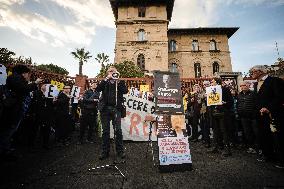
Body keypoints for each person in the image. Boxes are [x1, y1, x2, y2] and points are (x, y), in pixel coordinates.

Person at [0, 65, 42, 158]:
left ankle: (6, 149)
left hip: (16, 110)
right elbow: (23, 89)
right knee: (8, 131)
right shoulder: (15, 78)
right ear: (24, 73)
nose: (29, 76)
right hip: (12, 110)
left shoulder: (17, 79)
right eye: (28, 74)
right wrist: (35, 83)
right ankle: (4, 151)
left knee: (10, 131)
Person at [250, 65, 284, 168]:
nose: (251, 74)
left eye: (253, 72)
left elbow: (280, 97)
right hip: (260, 115)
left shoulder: (274, 81)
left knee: (277, 137)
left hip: (273, 114)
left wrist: (269, 108)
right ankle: (268, 155)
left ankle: (281, 160)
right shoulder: (256, 84)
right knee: (264, 135)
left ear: (260, 72)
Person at [96, 66, 128, 160]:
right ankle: (104, 152)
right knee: (105, 131)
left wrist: (118, 81)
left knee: (118, 130)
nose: (111, 72)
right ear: (107, 73)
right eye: (110, 71)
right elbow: (98, 89)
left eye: (113, 71)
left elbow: (125, 91)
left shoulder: (120, 82)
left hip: (116, 109)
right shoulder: (104, 81)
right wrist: (106, 79)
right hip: (105, 109)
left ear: (116, 72)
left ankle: (120, 151)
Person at [209, 77, 233, 157]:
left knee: (224, 131)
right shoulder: (210, 91)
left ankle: (227, 149)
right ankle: (216, 147)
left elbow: (230, 102)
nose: (211, 83)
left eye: (212, 82)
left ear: (217, 82)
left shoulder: (225, 90)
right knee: (215, 131)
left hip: (223, 113)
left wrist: (224, 103)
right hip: (214, 113)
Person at [237, 81, 259, 153]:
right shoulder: (239, 95)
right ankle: (251, 147)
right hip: (243, 117)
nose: (243, 87)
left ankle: (258, 148)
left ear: (248, 85)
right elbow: (238, 104)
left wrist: (255, 113)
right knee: (247, 133)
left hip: (253, 117)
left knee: (256, 132)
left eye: (244, 85)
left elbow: (257, 104)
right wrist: (239, 112)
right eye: (241, 85)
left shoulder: (253, 94)